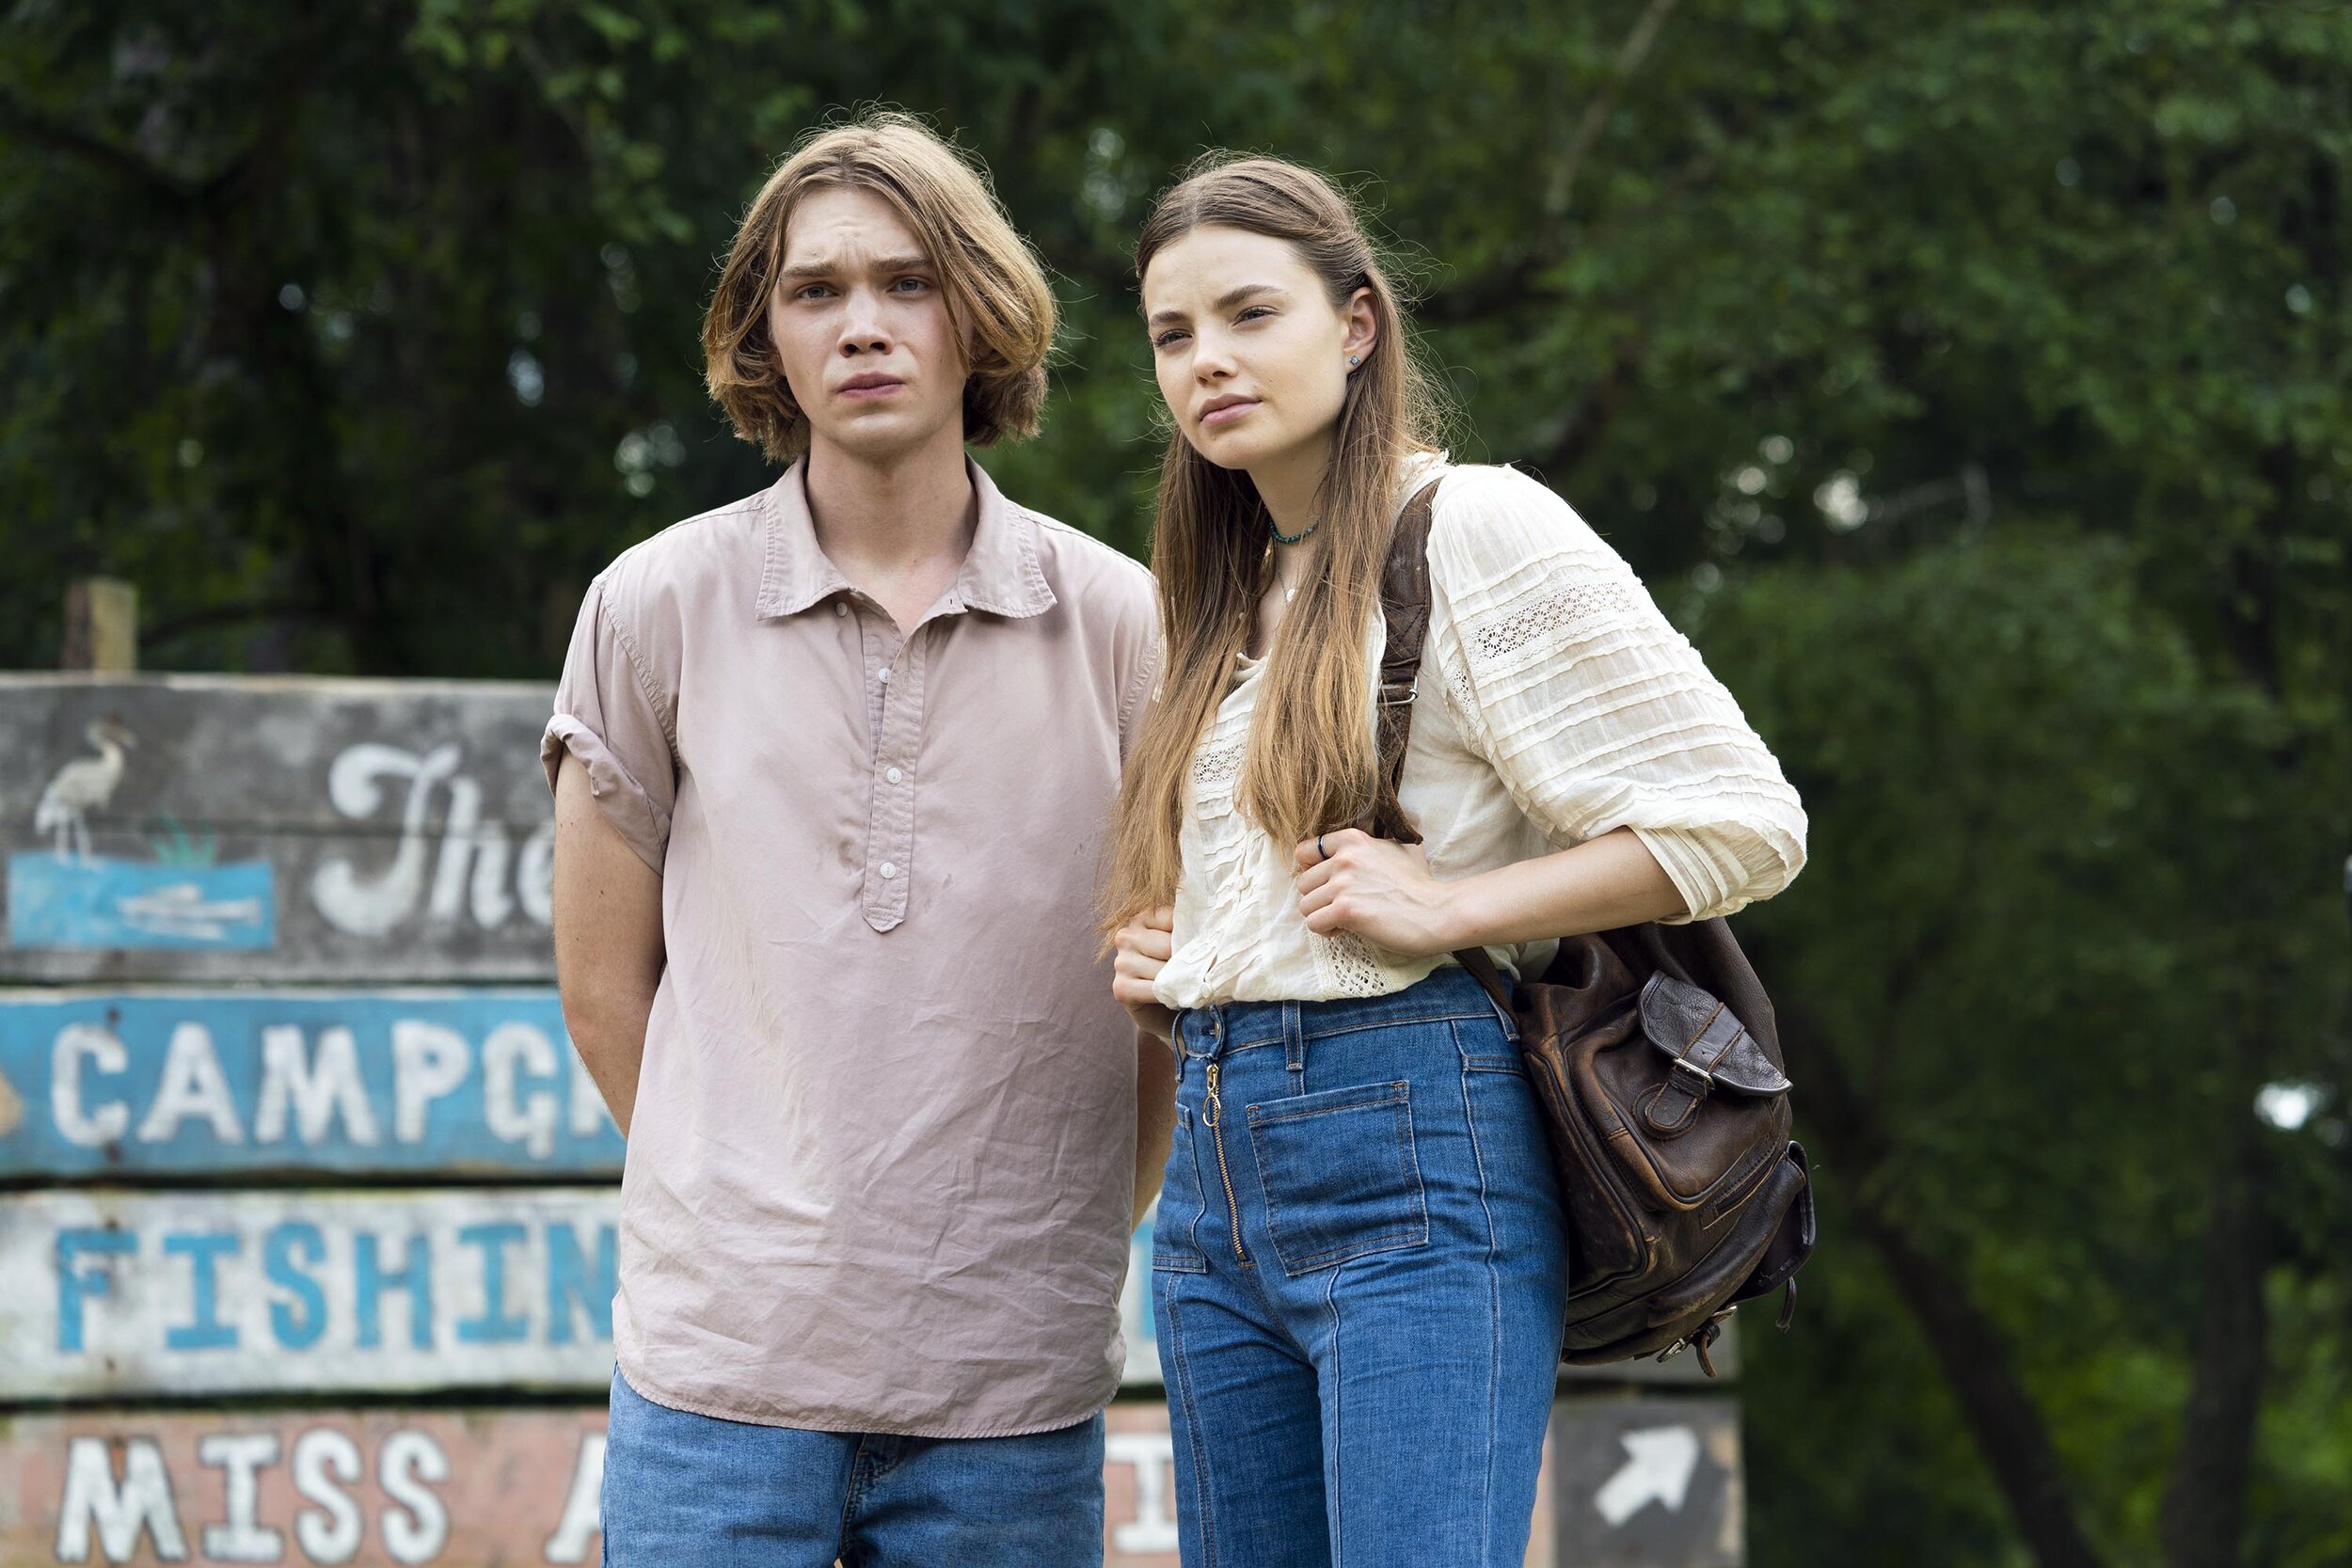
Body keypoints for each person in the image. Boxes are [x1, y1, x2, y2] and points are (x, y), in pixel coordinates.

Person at [1105, 156, 1808, 1568]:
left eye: (1250, 314)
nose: (1208, 363)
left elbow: (1742, 818)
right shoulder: (1220, 593)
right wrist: (1180, 962)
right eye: (1174, 336)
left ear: (1356, 323)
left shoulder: (1472, 525)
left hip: (1411, 1144)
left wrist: (1456, 905)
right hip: (1214, 1183)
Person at [546, 112, 1168, 1567]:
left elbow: (1154, 999)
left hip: (1009, 1393)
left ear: (980, 316)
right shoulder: (656, 605)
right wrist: (752, 1209)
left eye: (908, 282)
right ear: (765, 334)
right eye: (817, 291)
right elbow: (599, 986)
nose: (863, 327)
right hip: (718, 1384)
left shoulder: (1123, 623)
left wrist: (1042, 1229)